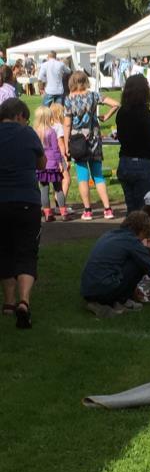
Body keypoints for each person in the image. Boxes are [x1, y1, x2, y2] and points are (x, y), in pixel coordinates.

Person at [0, 98, 46, 329]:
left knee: (4, 249)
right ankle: (24, 301)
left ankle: (8, 303)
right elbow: (42, 163)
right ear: (19, 115)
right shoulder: (27, 134)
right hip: (27, 201)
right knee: (27, 251)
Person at [81, 211, 150, 318]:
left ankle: (101, 302)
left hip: (87, 290)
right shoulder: (132, 241)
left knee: (135, 258)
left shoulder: (110, 234)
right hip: (105, 290)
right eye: (144, 236)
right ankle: (119, 301)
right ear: (141, 231)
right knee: (140, 261)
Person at [63, 71, 119, 220]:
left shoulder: (69, 100)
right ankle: (108, 209)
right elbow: (116, 104)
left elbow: (67, 124)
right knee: (98, 175)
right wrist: (106, 116)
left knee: (82, 176)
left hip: (77, 141)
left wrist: (67, 145)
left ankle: (87, 211)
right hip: (94, 139)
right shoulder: (94, 95)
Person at [116, 74, 150, 213]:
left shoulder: (121, 112)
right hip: (144, 163)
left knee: (132, 209)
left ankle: (129, 233)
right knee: (145, 210)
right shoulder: (144, 113)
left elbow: (121, 137)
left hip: (125, 162)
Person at [33, 106, 66, 221]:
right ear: (49, 117)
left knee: (44, 189)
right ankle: (63, 212)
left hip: (41, 164)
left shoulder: (34, 131)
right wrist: (60, 162)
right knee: (58, 188)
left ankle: (48, 214)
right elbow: (55, 149)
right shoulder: (51, 131)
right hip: (52, 164)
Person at [49, 103, 71, 207]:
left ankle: (57, 202)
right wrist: (65, 158)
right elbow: (61, 143)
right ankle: (61, 204)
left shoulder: (49, 126)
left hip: (49, 157)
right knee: (66, 179)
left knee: (56, 182)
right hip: (59, 156)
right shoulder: (59, 127)